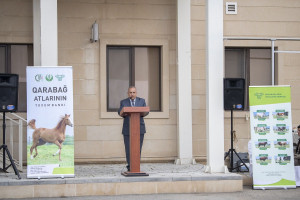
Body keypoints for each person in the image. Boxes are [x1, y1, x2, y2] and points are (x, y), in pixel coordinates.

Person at [118, 86, 148, 171]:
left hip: (139, 128)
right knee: (128, 148)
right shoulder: (123, 102)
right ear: (128, 93)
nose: (132, 94)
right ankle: (130, 166)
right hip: (127, 129)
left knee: (138, 148)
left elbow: (146, 112)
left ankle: (136, 166)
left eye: (133, 92)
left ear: (136, 93)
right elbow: (119, 112)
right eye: (130, 92)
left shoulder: (141, 101)